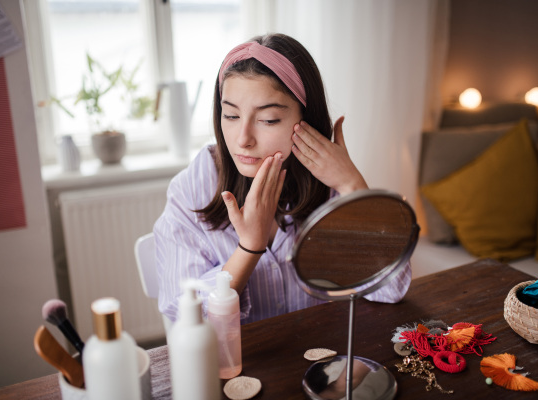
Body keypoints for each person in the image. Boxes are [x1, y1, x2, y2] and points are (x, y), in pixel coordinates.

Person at [154, 33, 411, 325]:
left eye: (268, 120)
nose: (243, 140)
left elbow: (392, 290)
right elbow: (185, 316)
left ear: (306, 120)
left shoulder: (330, 179)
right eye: (231, 115)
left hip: (321, 359)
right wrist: (249, 247)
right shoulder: (193, 188)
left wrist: (353, 187)